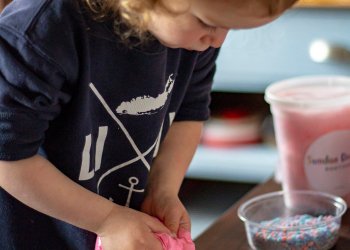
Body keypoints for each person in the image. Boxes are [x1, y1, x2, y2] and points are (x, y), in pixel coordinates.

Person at [0, 0, 297, 249]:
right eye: (209, 23)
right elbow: (7, 158)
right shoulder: (40, 34)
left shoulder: (194, 36)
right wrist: (106, 219)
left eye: (230, 27)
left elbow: (189, 114)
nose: (218, 41)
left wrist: (163, 189)